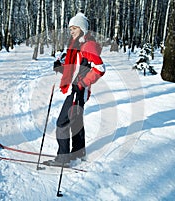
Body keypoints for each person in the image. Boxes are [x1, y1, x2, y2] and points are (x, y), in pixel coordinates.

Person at [44, 13, 105, 166]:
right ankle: (78, 152)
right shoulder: (76, 44)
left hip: (80, 89)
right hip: (76, 88)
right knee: (76, 121)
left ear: (82, 29)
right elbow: (76, 65)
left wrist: (82, 83)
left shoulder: (87, 45)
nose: (71, 31)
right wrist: (61, 66)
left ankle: (63, 159)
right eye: (70, 28)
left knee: (62, 122)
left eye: (74, 28)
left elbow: (100, 68)